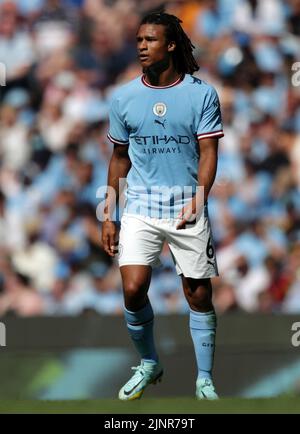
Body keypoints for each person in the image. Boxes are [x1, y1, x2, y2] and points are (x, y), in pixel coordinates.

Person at [101, 12, 224, 401]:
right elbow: (119, 158)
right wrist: (110, 213)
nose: (141, 45)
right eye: (139, 39)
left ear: (171, 45)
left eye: (150, 40)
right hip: (140, 205)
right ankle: (149, 362)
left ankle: (204, 379)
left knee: (197, 293)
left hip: (186, 204)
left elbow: (208, 152)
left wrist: (200, 196)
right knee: (133, 288)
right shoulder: (123, 97)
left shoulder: (201, 94)